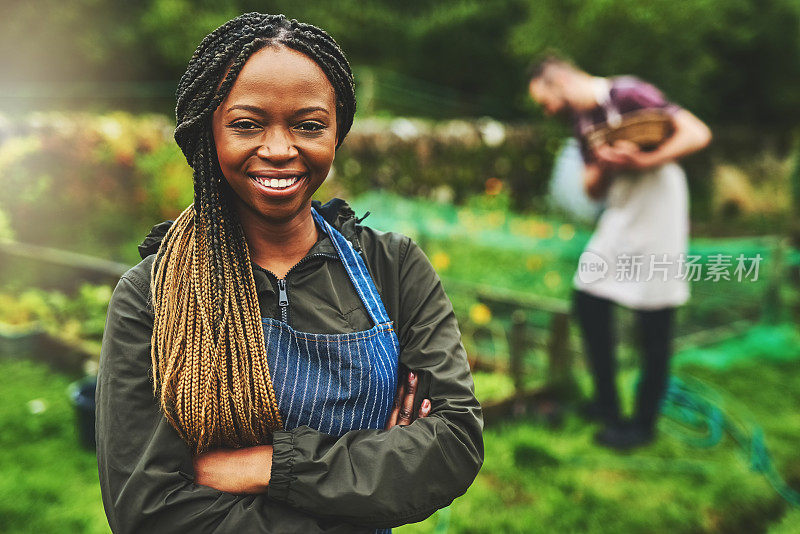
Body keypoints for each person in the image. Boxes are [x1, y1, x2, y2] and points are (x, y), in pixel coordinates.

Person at [95, 13, 483, 533]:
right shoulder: (152, 295)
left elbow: (452, 444)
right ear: (206, 131)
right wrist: (371, 479)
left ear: (336, 132)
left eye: (308, 125)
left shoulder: (393, 268)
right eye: (247, 124)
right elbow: (145, 510)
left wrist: (270, 467)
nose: (279, 150)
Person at [528, 56, 711, 449]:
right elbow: (593, 189)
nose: (547, 110)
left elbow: (696, 132)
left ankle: (642, 424)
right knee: (588, 298)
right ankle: (607, 405)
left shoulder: (627, 93)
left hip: (658, 205)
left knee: (654, 316)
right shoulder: (582, 123)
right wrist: (608, 164)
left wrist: (645, 158)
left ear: (557, 81)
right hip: (622, 208)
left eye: (545, 100)